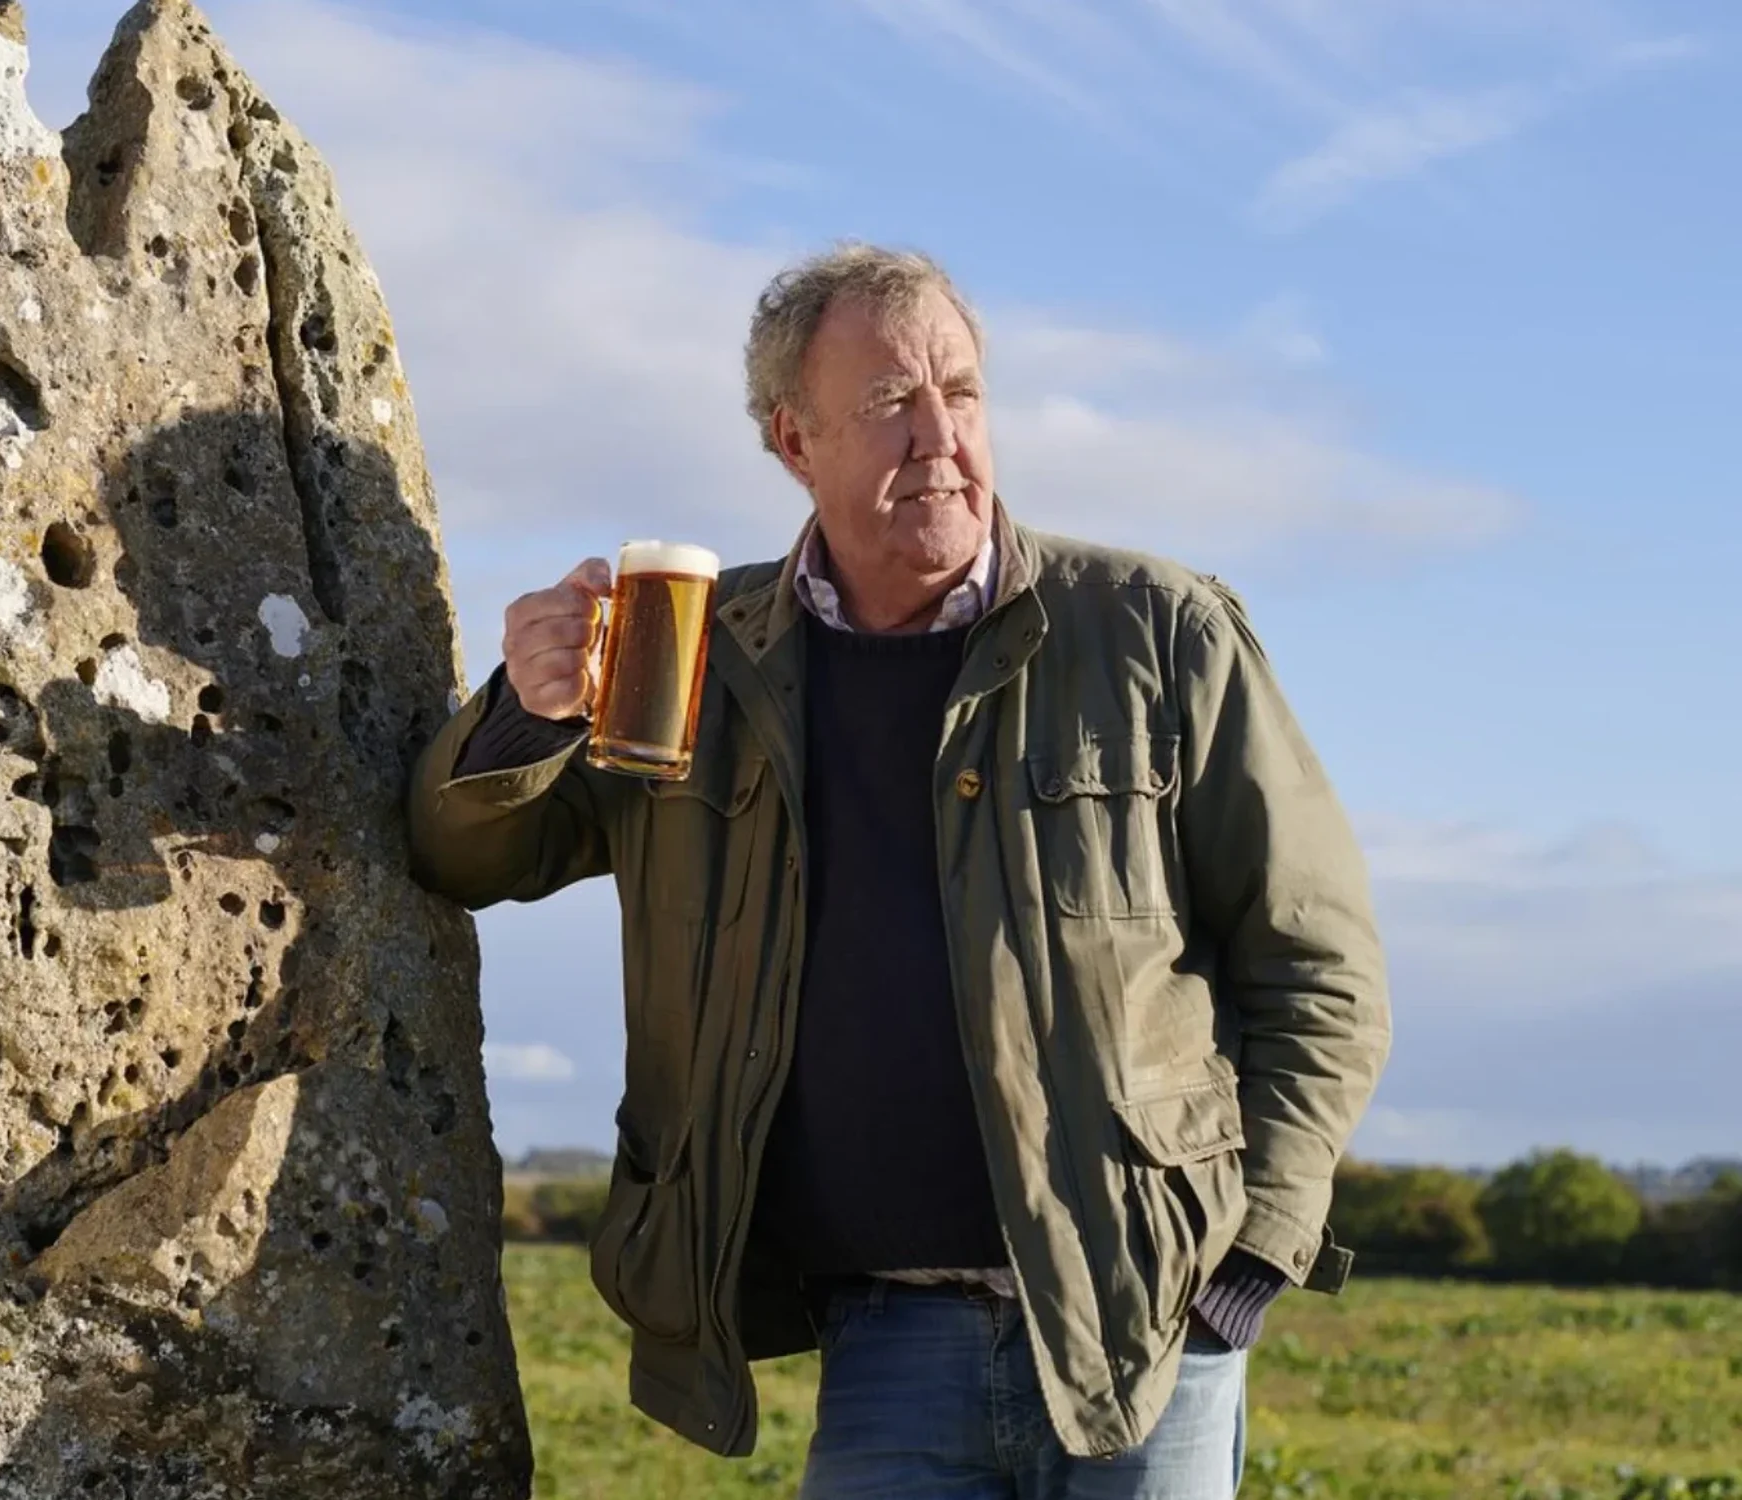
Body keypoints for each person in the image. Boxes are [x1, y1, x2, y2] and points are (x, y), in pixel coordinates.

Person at [405, 244, 1390, 1499]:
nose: (938, 436)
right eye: (885, 402)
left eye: (962, 393)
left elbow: (1319, 967)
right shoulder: (692, 659)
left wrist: (1251, 1248)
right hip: (887, 1339)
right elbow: (461, 853)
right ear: (791, 440)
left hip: (1147, 1327)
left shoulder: (1155, 631)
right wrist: (527, 714)